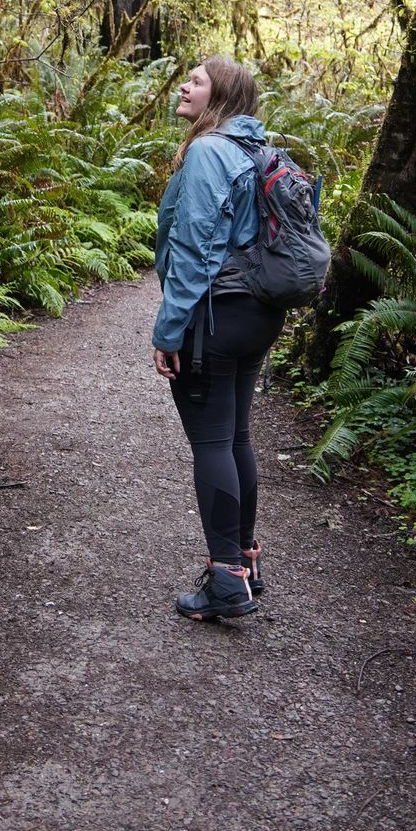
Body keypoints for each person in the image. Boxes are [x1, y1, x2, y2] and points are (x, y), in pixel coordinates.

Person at [152, 54, 284, 623]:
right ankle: (246, 562)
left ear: (222, 97)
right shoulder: (261, 151)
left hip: (217, 314)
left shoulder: (209, 151)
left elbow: (196, 250)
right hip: (257, 312)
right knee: (234, 435)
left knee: (212, 441)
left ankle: (226, 580)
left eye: (197, 80)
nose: (185, 84)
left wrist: (169, 329)